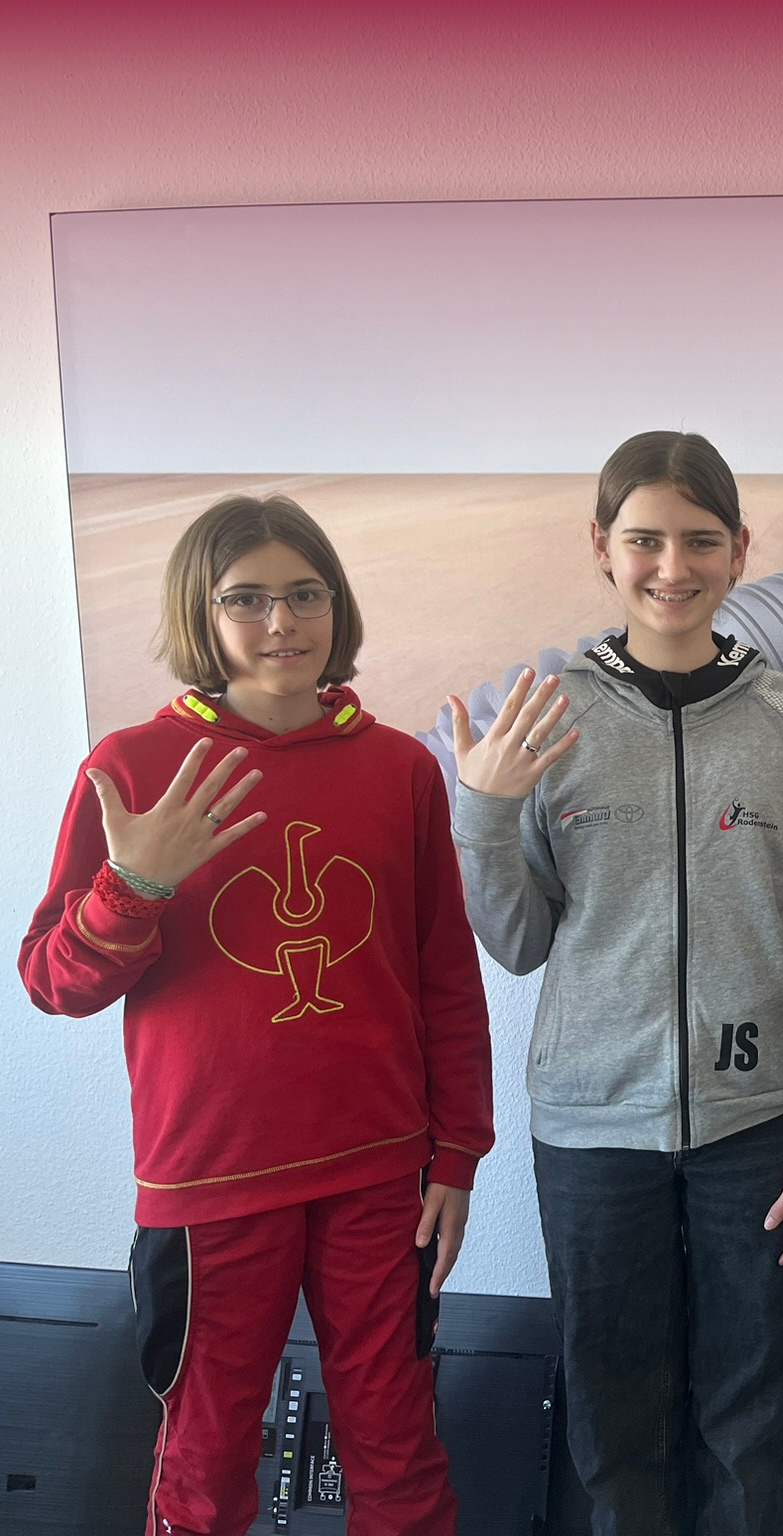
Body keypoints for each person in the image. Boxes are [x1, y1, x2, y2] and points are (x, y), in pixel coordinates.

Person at [20, 493, 493, 1535]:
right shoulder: (133, 770)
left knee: (399, 1452)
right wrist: (132, 888)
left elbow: (444, 977)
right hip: (209, 1182)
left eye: (305, 594)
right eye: (248, 599)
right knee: (203, 1462)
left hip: (381, 1171)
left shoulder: (400, 770)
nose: (282, 623)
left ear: (336, 606)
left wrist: (457, 1154)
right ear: (202, 611)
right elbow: (55, 982)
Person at [447, 429, 783, 1536]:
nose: (670, 566)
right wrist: (482, 814)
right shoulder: (548, 719)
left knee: (753, 1424)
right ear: (600, 546)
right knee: (612, 1424)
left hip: (762, 1128)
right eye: (644, 539)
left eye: (698, 540)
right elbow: (518, 942)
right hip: (590, 1132)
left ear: (738, 552)